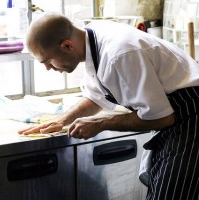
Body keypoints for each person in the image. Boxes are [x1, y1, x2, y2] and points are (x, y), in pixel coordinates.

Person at [18, 12, 199, 200]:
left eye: (47, 61)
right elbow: (97, 96)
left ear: (67, 46)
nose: (48, 68)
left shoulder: (119, 54)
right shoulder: (90, 40)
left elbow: (161, 117)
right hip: (176, 119)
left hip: (191, 117)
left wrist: (100, 123)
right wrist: (61, 121)